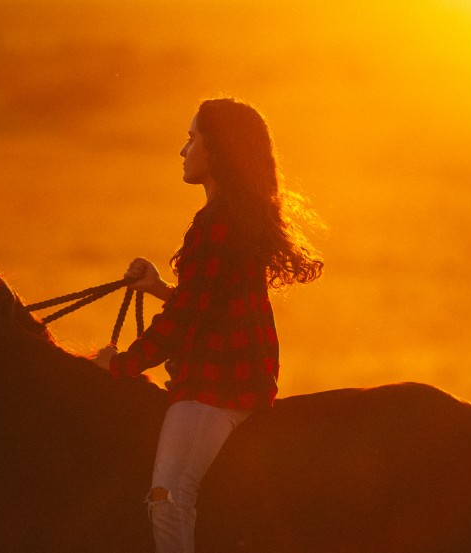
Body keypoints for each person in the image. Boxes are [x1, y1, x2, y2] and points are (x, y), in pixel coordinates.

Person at [91, 97, 322, 553]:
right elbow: (211, 304)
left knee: (169, 496)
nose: (183, 150)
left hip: (215, 388)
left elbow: (183, 322)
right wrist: (158, 287)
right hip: (242, 378)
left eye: (192, 138)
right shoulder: (236, 214)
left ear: (216, 151)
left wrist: (120, 365)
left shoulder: (216, 223)